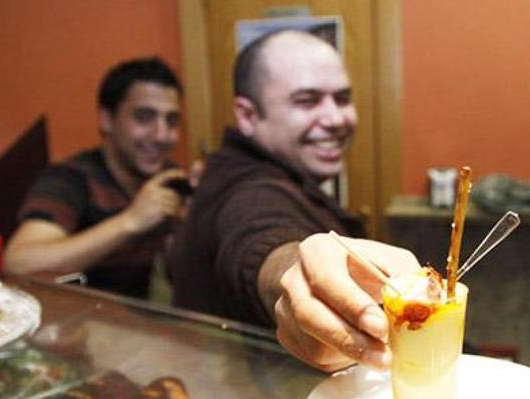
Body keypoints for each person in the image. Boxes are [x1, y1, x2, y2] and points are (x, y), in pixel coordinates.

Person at [170, 30, 420, 372]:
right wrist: (300, 274)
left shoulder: (261, 170)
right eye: (307, 101)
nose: (336, 119)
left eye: (343, 98)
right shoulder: (247, 188)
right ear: (247, 115)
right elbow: (259, 235)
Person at [5, 57, 193, 299]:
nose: (161, 135)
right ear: (106, 119)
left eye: (172, 120)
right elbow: (19, 263)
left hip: (142, 329)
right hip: (76, 329)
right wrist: (131, 221)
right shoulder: (70, 179)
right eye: (144, 117)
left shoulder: (170, 179)